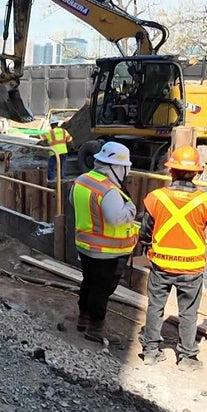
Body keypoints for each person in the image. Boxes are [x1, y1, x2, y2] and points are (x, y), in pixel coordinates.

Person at [138, 145, 207, 371]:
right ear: (196, 172)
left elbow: (145, 231)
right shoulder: (204, 200)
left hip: (161, 263)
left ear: (171, 171)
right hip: (191, 268)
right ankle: (186, 358)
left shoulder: (156, 198)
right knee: (188, 313)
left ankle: (150, 352)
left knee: (155, 306)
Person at [70, 141, 139, 345]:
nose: (127, 172)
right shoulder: (109, 191)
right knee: (102, 288)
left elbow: (72, 203)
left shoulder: (82, 180)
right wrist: (131, 210)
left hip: (84, 245)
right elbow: (116, 218)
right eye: (125, 167)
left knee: (89, 282)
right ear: (116, 167)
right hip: (107, 251)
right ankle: (95, 327)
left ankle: (83, 318)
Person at [35, 116, 73, 182]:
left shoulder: (50, 133)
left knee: (51, 166)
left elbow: (40, 137)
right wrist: (70, 148)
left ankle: (51, 179)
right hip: (63, 151)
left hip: (54, 152)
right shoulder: (63, 131)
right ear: (57, 123)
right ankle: (63, 178)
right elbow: (70, 140)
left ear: (51, 125)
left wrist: (32, 135)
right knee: (62, 166)